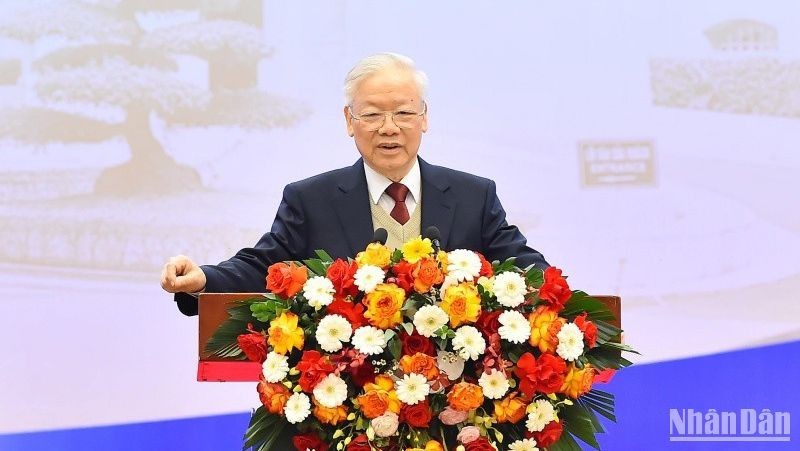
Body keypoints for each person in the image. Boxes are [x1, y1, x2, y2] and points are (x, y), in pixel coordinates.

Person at [161, 51, 548, 316]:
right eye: (373, 114)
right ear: (349, 121)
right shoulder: (311, 199)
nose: (389, 128)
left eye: (403, 113)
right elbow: (262, 267)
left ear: (425, 118)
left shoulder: (473, 196)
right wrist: (203, 281)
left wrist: (569, 302)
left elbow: (524, 266)